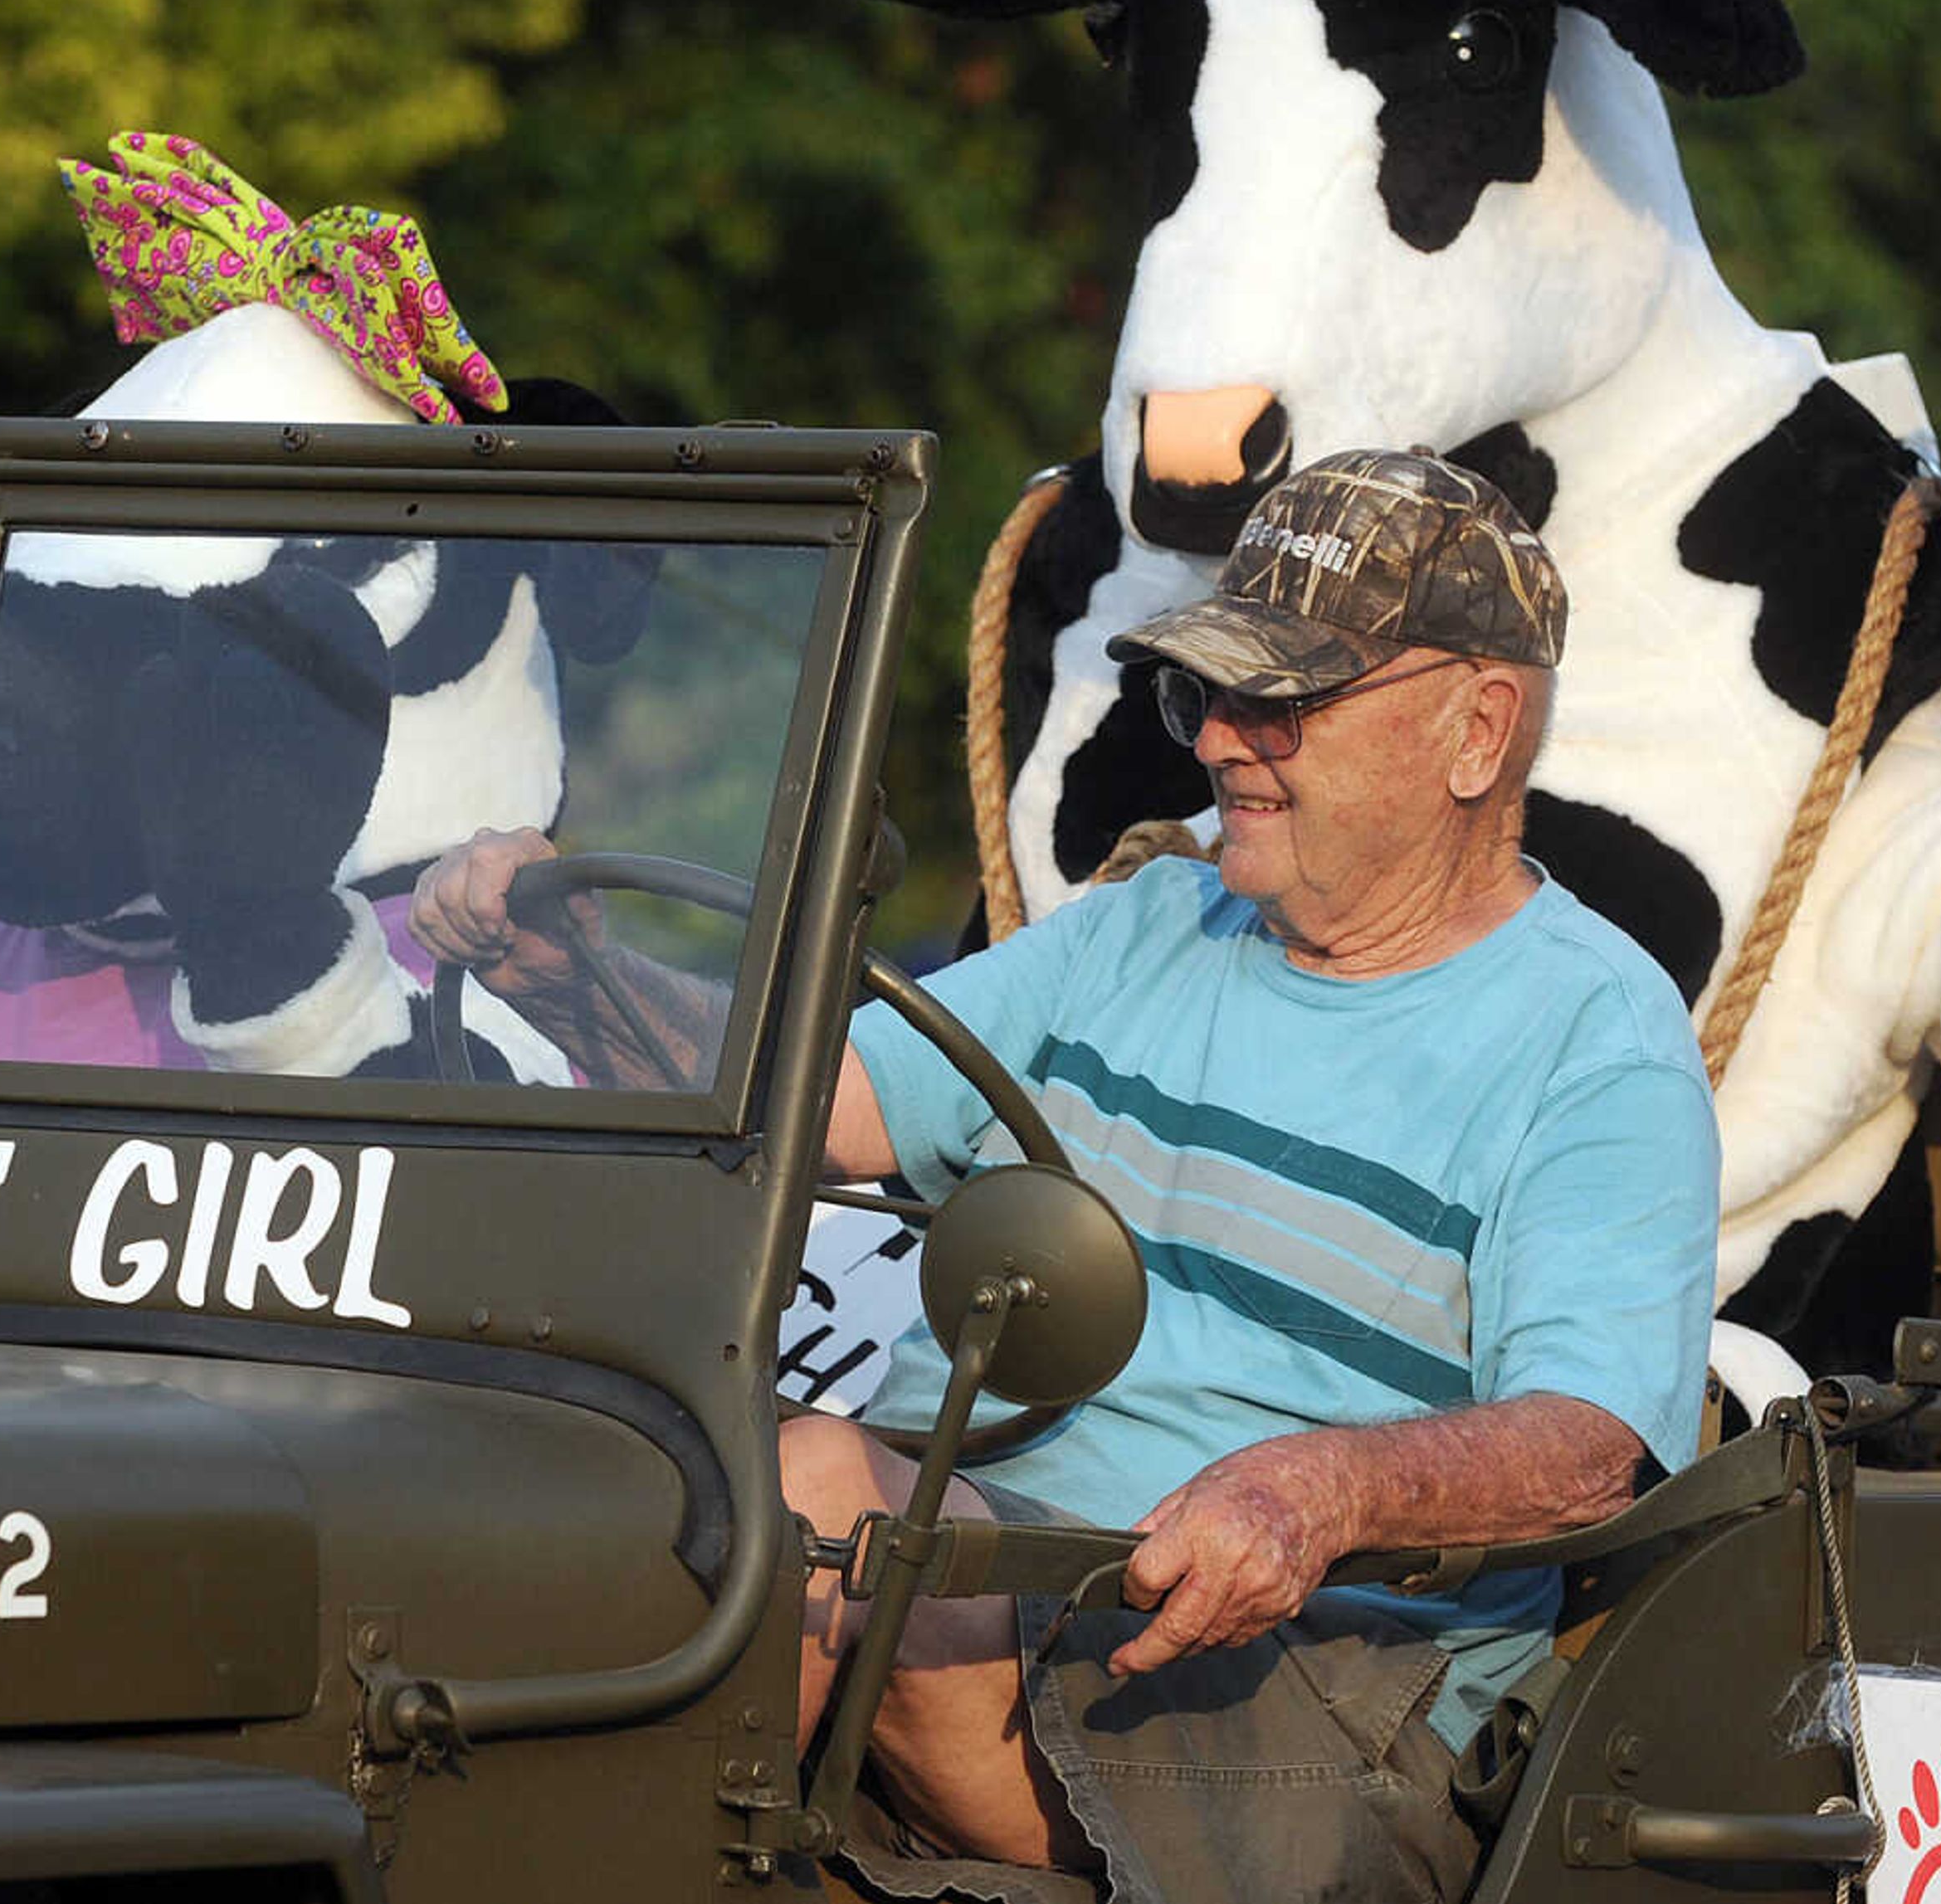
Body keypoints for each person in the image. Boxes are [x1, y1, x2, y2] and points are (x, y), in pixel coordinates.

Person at [411, 449, 1721, 1904]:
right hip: (981, 1563)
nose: (1223, 741)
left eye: (1279, 702)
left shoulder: (1595, 1038)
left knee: (818, 1496)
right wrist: (575, 974)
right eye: (1205, 695)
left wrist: (1325, 1490)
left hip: (1289, 1689)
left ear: (1478, 729)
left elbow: (1597, 1442)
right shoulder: (1149, 921)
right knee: (577, 1473)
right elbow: (813, 1110)